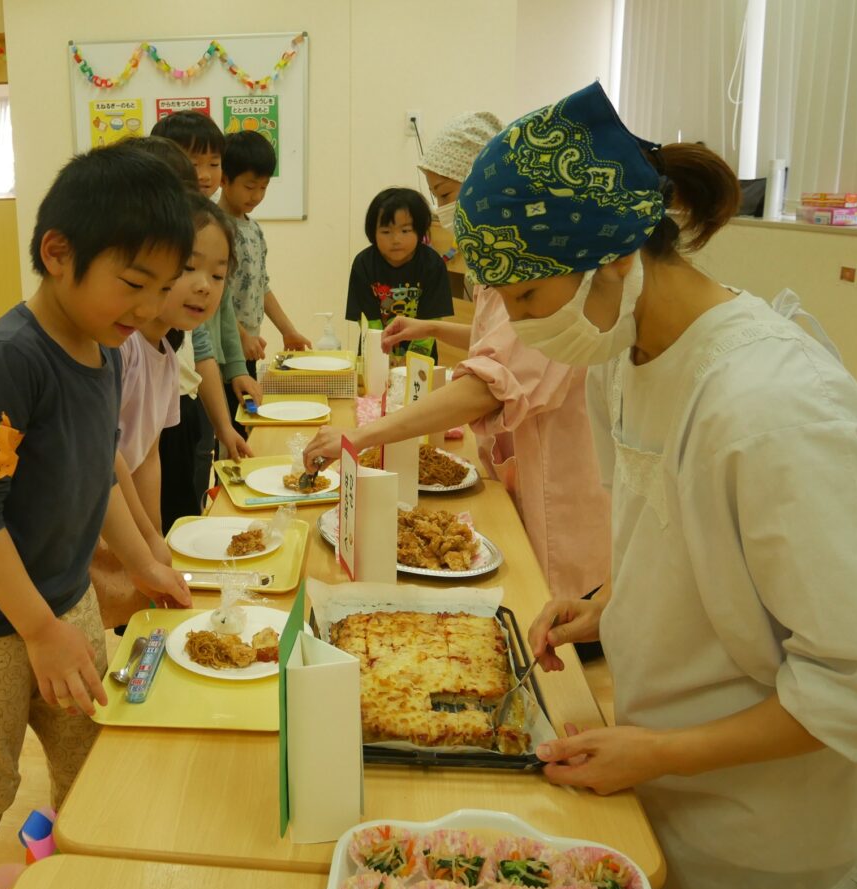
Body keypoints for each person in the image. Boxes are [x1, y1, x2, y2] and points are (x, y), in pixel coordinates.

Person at [454, 82, 857, 889]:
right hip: (663, 799)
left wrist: (659, 752)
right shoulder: (621, 360)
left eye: (529, 298)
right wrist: (609, 603)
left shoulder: (777, 408)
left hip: (777, 845)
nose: (522, 326)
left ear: (614, 258)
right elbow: (682, 542)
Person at [0, 143, 195, 889]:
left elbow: (100, 468)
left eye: (161, 289)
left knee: (92, 764)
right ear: (58, 253)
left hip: (63, 602)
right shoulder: (10, 358)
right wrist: (38, 630)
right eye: (133, 284)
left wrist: (143, 563)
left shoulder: (106, 347)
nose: (148, 309)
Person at [303, 114, 610, 611]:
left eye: (446, 194)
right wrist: (430, 328)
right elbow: (505, 341)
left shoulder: (544, 264)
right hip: (523, 462)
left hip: (562, 485)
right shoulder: (504, 260)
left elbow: (492, 378)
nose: (442, 212)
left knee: (549, 603)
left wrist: (362, 435)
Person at [92, 192, 234, 629]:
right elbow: (109, 455)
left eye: (218, 274)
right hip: (96, 513)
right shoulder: (121, 348)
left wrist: (155, 534)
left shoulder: (169, 356)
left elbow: (148, 454)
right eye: (188, 267)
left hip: (119, 515)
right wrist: (145, 538)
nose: (204, 285)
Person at [149, 113, 257, 516]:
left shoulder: (217, 228)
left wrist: (225, 425)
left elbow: (206, 340)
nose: (203, 174)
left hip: (190, 400)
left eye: (213, 162)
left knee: (188, 503)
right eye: (192, 164)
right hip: (169, 413)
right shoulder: (132, 342)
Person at [219, 129, 312, 421]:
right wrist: (241, 335)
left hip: (247, 348)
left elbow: (262, 286)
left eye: (263, 187)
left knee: (245, 422)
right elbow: (216, 295)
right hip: (222, 349)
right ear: (224, 179)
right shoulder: (214, 228)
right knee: (228, 426)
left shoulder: (254, 230)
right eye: (249, 187)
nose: (257, 196)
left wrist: (288, 330)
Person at [346, 186, 454, 361]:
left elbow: (430, 322)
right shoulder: (364, 264)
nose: (396, 240)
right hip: (376, 355)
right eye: (386, 232)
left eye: (405, 231)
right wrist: (382, 357)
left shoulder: (432, 264)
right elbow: (369, 321)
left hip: (421, 356)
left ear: (419, 230)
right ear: (373, 232)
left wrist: (413, 359)